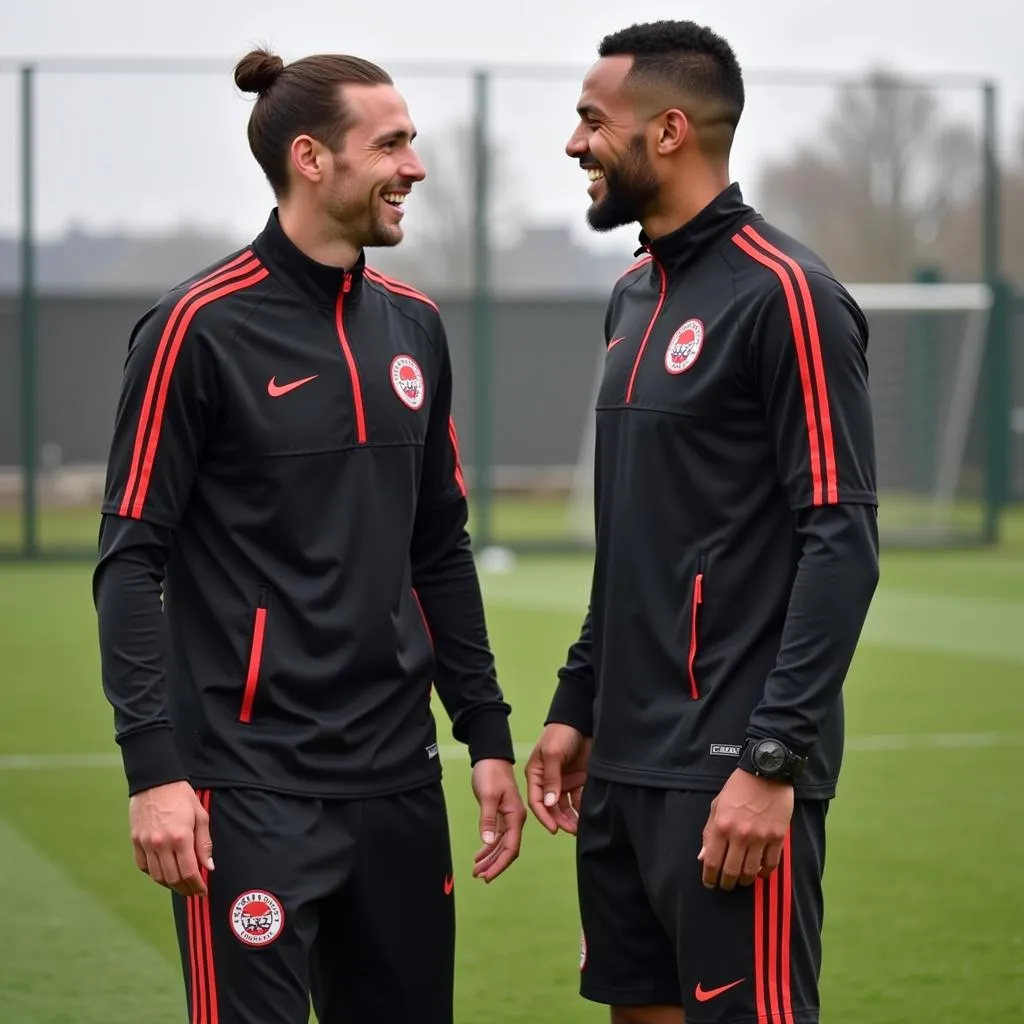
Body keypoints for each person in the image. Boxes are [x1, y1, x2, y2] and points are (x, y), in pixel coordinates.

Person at [92, 46, 525, 1024]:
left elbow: (438, 548)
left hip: (399, 778)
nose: (415, 166)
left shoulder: (414, 327)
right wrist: (155, 772)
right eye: (392, 143)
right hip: (246, 789)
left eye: (413, 142)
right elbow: (130, 563)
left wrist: (485, 734)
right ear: (311, 159)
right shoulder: (194, 327)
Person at [525, 20, 879, 1024]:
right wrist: (575, 702)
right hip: (624, 766)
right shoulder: (631, 297)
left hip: (732, 768)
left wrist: (772, 763)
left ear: (669, 130)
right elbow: (634, 545)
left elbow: (840, 540)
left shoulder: (788, 296)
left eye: (592, 120)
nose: (573, 143)